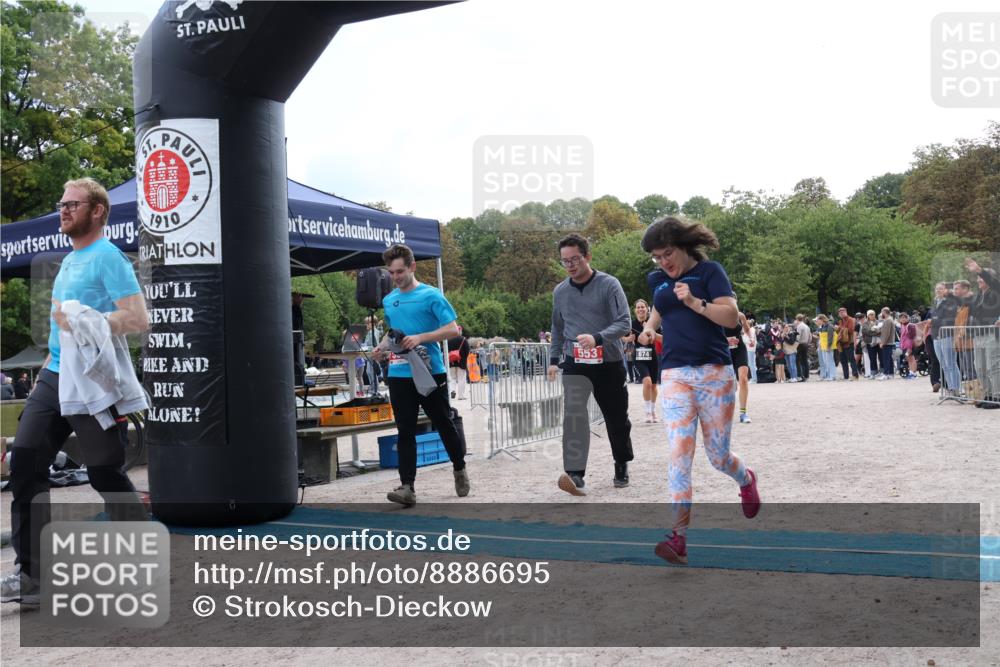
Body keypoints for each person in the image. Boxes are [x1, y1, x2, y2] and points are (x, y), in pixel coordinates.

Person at [2, 178, 150, 606]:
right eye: (61, 204)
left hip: (91, 379)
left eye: (72, 204)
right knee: (25, 460)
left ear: (97, 210)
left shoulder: (109, 257)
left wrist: (90, 320)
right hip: (54, 375)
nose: (63, 210)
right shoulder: (68, 260)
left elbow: (137, 319)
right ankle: (31, 574)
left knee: (104, 470)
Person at [636, 217, 759, 566]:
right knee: (679, 452)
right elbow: (659, 309)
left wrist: (694, 303)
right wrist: (649, 328)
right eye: (656, 256)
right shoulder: (658, 279)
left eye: (667, 253)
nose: (663, 261)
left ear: (684, 246)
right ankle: (678, 538)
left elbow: (731, 317)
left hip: (714, 373)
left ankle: (745, 478)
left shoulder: (710, 272)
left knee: (718, 456)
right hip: (674, 373)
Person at [373, 244, 469, 505]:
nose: (396, 277)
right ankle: (407, 487)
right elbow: (392, 333)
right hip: (399, 372)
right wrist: (381, 347)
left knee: (443, 423)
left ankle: (459, 467)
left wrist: (420, 338)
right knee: (405, 429)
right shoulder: (389, 300)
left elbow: (452, 329)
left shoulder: (431, 295)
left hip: (430, 371)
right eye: (392, 272)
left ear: (412, 267)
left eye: (400, 271)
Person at [547, 233, 633, 494]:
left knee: (616, 418)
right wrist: (554, 359)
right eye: (565, 261)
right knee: (573, 416)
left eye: (575, 259)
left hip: (608, 361)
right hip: (575, 363)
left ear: (587, 257)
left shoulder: (609, 285)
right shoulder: (560, 291)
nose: (570, 265)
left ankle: (621, 463)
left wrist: (597, 338)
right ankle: (575, 474)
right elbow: (557, 327)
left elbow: (624, 323)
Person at [628, 299, 661, 423]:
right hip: (638, 357)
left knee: (654, 385)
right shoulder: (631, 324)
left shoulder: (653, 323)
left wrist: (650, 333)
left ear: (647, 309)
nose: (641, 309)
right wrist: (628, 339)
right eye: (638, 307)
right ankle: (647, 412)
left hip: (652, 356)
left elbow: (660, 338)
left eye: (643, 307)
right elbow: (621, 336)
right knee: (647, 382)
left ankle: (653, 410)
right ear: (635, 310)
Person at [726, 311, 754, 422]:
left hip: (739, 349)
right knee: (728, 384)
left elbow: (747, 329)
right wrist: (726, 340)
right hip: (724, 350)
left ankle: (743, 413)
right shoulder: (718, 314)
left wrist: (751, 338)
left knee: (743, 379)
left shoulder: (740, 315)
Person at [836, 308, 860, 380]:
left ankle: (855, 375)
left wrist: (840, 328)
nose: (841, 314)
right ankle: (845, 376)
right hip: (841, 343)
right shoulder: (840, 321)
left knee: (851, 359)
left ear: (846, 312)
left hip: (849, 342)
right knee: (843, 361)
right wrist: (838, 329)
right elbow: (839, 332)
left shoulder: (851, 319)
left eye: (843, 312)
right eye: (840, 313)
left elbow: (851, 330)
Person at [447, 325, 470, 400]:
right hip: (461, 362)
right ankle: (461, 396)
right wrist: (464, 357)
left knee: (452, 378)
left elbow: (444, 350)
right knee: (461, 379)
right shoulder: (463, 339)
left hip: (451, 362)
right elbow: (467, 351)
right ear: (460, 331)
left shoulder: (448, 340)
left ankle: (452, 390)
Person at [814, 314, 836, 380]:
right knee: (826, 362)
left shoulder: (829, 326)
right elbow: (820, 335)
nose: (817, 321)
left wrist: (828, 346)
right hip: (823, 346)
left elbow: (830, 337)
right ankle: (828, 376)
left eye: (818, 320)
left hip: (828, 346)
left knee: (830, 361)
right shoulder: (823, 326)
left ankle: (832, 376)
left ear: (821, 320)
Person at [876, 307, 896, 381]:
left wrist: (883, 342)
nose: (881, 314)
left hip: (887, 342)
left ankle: (885, 374)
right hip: (889, 342)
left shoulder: (888, 320)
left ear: (884, 312)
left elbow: (886, 333)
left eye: (882, 312)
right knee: (889, 359)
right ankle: (890, 373)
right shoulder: (890, 319)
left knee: (886, 359)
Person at [793, 314, 811, 381]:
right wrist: (808, 343)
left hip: (800, 344)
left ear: (797, 319)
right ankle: (806, 375)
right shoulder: (807, 326)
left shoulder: (799, 326)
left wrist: (795, 345)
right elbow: (810, 336)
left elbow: (798, 337)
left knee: (798, 361)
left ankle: (800, 376)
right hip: (806, 344)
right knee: (805, 360)